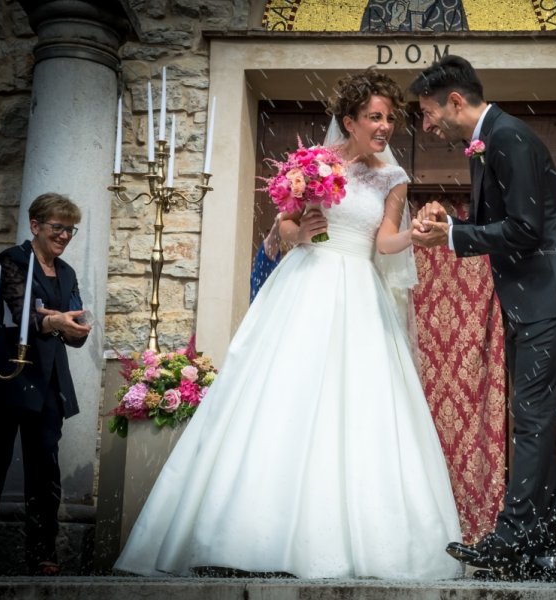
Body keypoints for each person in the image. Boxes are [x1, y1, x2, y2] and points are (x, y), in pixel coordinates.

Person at [114, 69, 463, 580]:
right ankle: (247, 534)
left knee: (355, 406)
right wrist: (297, 230)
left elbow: (383, 243)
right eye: (375, 117)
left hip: (359, 292)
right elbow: (281, 229)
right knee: (282, 396)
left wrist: (416, 234)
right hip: (305, 283)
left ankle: (350, 541)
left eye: (390, 118)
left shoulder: (394, 179)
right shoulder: (313, 164)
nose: (385, 126)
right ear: (349, 120)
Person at [409, 55, 556, 581]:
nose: (426, 125)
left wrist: (451, 237)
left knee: (534, 420)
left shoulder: (509, 138)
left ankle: (510, 537)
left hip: (548, 296)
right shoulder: (486, 141)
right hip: (534, 298)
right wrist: (455, 220)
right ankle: (537, 548)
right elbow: (502, 221)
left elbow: (525, 229)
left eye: (428, 113)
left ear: (455, 101)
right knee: (538, 420)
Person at [0, 193, 91, 575]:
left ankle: (42, 553)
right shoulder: (12, 261)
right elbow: (20, 312)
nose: (64, 235)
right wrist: (51, 320)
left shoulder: (66, 272)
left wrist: (74, 326)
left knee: (45, 469)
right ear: (35, 226)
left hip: (49, 381)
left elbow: (74, 325)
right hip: (8, 375)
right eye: (57, 228)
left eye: (70, 229)